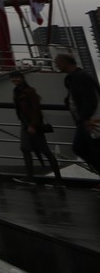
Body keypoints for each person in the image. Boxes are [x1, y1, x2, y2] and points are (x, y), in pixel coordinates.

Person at [9, 71, 62, 184]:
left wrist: (33, 125)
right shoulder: (17, 91)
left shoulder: (30, 91)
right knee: (25, 148)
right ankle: (30, 177)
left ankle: (58, 180)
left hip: (33, 125)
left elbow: (36, 109)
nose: (15, 80)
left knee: (44, 150)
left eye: (17, 77)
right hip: (25, 124)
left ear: (22, 78)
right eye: (13, 78)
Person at [55, 53, 100, 185]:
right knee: (83, 148)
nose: (56, 66)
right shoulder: (75, 77)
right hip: (85, 120)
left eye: (57, 63)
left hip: (90, 120)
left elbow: (90, 100)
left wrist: (85, 119)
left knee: (85, 148)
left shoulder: (80, 77)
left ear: (64, 63)